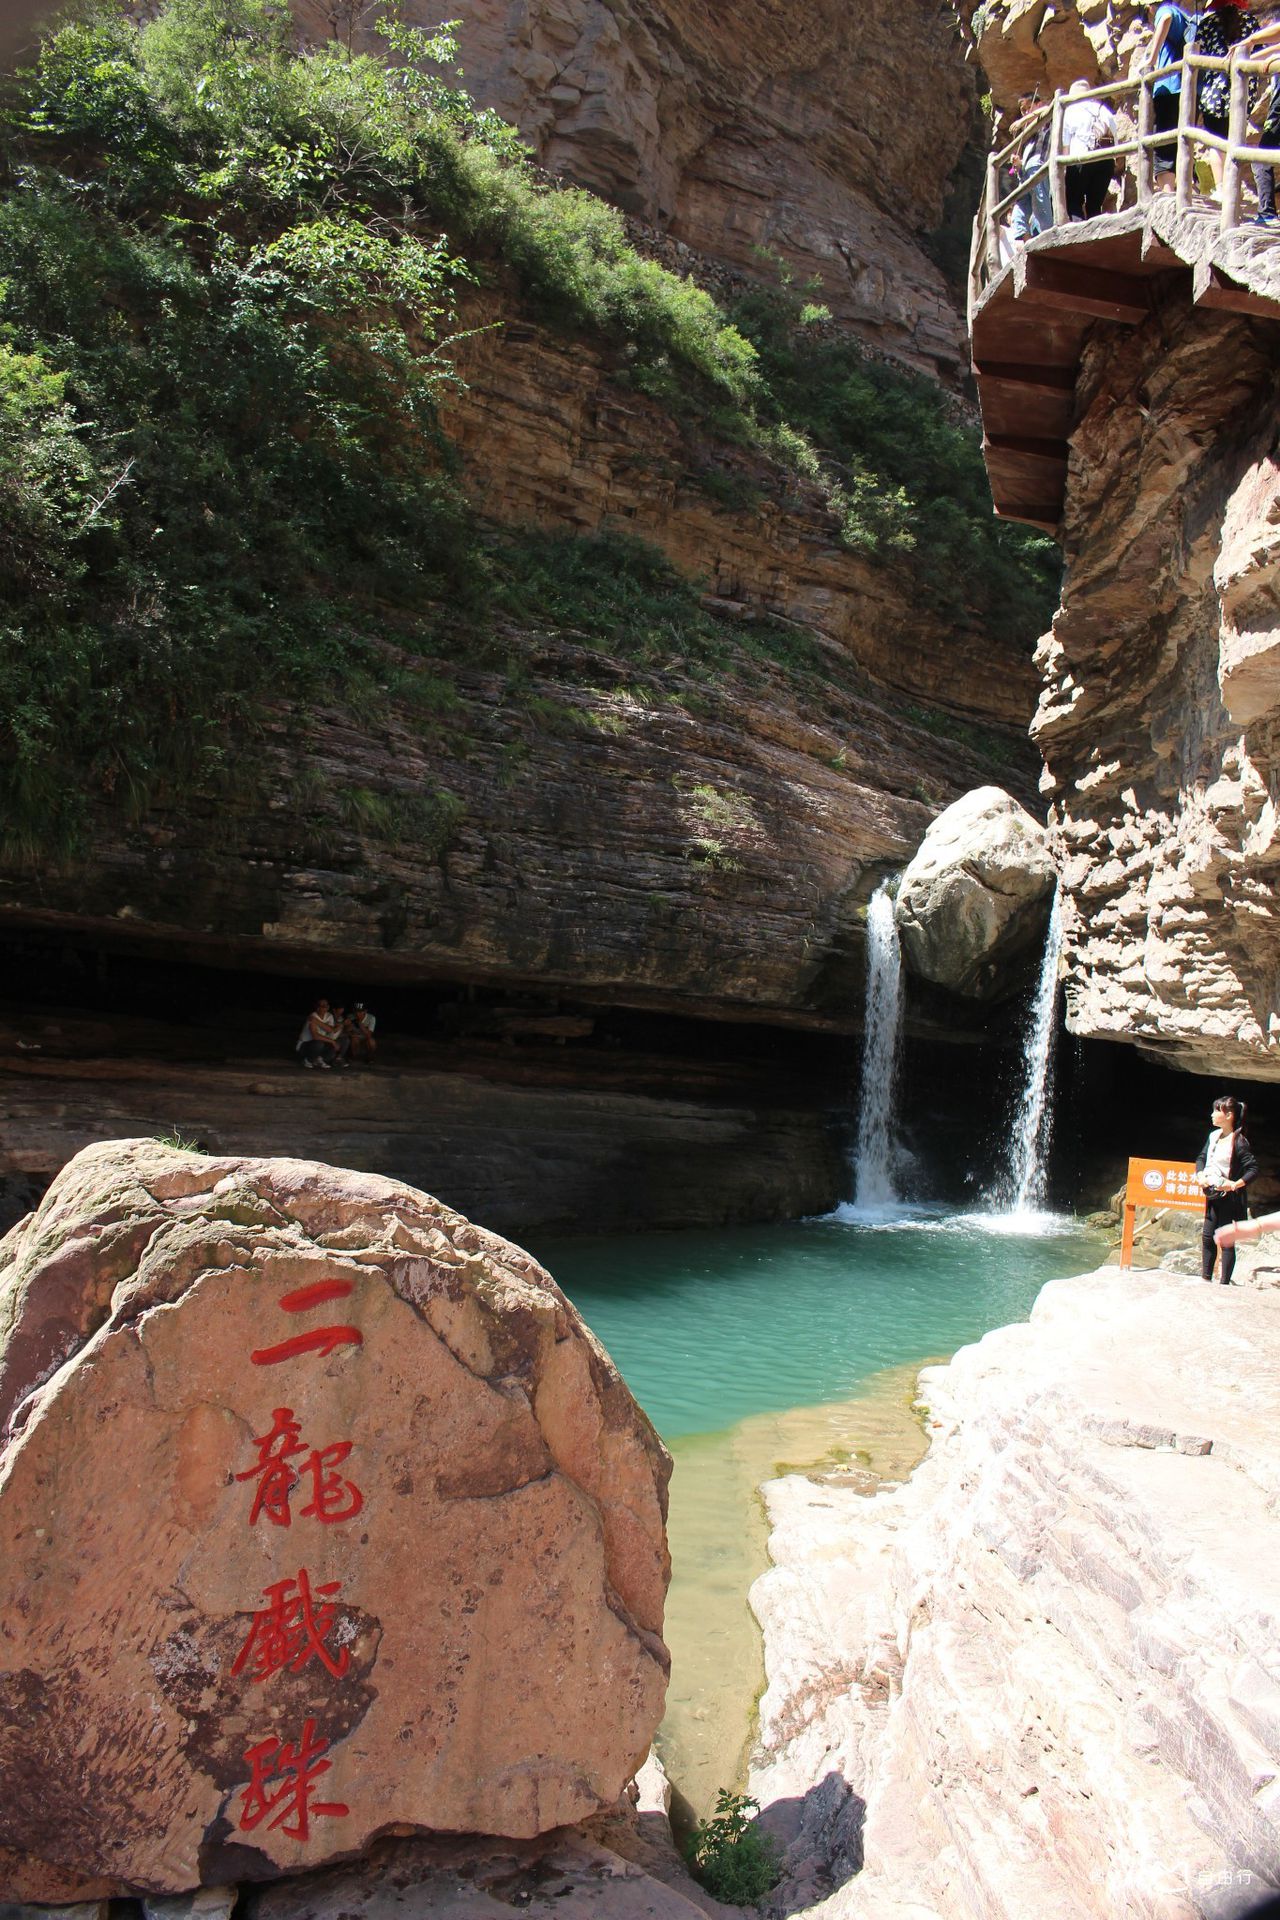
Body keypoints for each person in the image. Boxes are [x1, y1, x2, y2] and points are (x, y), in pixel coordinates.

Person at [1196, 0, 1261, 191]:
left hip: (1214, 92)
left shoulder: (1207, 24)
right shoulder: (1250, 21)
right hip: (1243, 91)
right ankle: (1234, 189)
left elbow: (1199, 54)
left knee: (1216, 143)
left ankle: (1221, 188)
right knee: (1235, 139)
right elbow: (1259, 51)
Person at [1194, 1094, 1258, 1281]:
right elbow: (1201, 1158)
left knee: (1226, 1239)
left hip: (1229, 1199)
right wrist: (1200, 1175)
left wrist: (1235, 1184)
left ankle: (1224, 1284)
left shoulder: (1239, 1141)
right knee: (1207, 1236)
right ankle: (1206, 1278)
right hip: (1212, 1194)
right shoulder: (1213, 1136)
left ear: (1229, 1115)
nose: (1212, 1115)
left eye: (1216, 1110)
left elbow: (1253, 1169)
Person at [1146, 2, 1196, 186]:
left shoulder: (1165, 11)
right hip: (1187, 88)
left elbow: (1165, 18)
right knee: (1182, 140)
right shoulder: (1185, 17)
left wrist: (1151, 60)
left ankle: (1167, 190)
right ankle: (1188, 187)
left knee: (1165, 140)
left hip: (1169, 86)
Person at [1062, 79, 1119, 219]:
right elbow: (1115, 137)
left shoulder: (1070, 111)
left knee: (1074, 202)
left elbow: (1066, 144)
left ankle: (1078, 237)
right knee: (1094, 204)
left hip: (1080, 158)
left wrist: (1065, 168)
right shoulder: (1104, 110)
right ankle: (1096, 238)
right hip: (1105, 159)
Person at [1009, 92, 1054, 240]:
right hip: (1026, 172)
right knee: (1019, 211)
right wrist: (1019, 164)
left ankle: (1048, 237)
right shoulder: (1028, 134)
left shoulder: (1043, 120)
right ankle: (1026, 243)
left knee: (1041, 205)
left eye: (1029, 107)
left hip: (1037, 166)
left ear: (1038, 104)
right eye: (1023, 110)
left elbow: (1047, 109)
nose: (1026, 112)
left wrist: (1023, 120)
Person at [296, 998, 339, 1070]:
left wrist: (317, 1022)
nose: (323, 1007)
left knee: (334, 1045)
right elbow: (315, 1036)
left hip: (317, 1044)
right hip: (304, 1045)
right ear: (317, 1007)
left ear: (328, 1007)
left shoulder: (329, 1016)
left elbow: (331, 1030)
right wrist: (332, 1041)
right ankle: (307, 1060)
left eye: (325, 1005)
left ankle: (318, 1059)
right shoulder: (312, 1016)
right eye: (320, 1005)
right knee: (319, 1043)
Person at [346, 1000, 378, 1065]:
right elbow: (346, 1031)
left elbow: (369, 1035)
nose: (358, 1013)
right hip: (355, 1038)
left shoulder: (371, 1018)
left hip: (365, 1038)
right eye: (356, 1011)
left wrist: (360, 1024)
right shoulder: (350, 1016)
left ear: (365, 1011)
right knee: (354, 1039)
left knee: (372, 1042)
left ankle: (370, 1057)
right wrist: (349, 1030)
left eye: (360, 1011)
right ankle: (353, 1056)